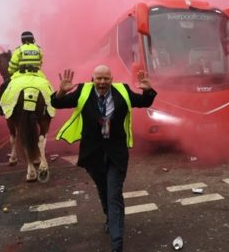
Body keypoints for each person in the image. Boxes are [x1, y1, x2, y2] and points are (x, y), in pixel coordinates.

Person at [51, 65, 157, 252]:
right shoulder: (82, 91)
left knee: (114, 194)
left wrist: (147, 89)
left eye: (106, 79)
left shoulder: (122, 90)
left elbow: (144, 102)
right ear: (93, 79)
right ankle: (109, 217)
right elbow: (57, 104)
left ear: (111, 79)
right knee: (104, 190)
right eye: (98, 78)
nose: (102, 82)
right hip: (93, 154)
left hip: (116, 154)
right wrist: (60, 92)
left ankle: (117, 244)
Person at [0, 31, 44, 115]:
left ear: (22, 40)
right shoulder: (39, 49)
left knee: (3, 87)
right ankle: (50, 107)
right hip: (36, 75)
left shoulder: (19, 50)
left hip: (21, 75)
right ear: (33, 39)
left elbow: (12, 66)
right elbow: (40, 63)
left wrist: (11, 71)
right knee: (48, 88)